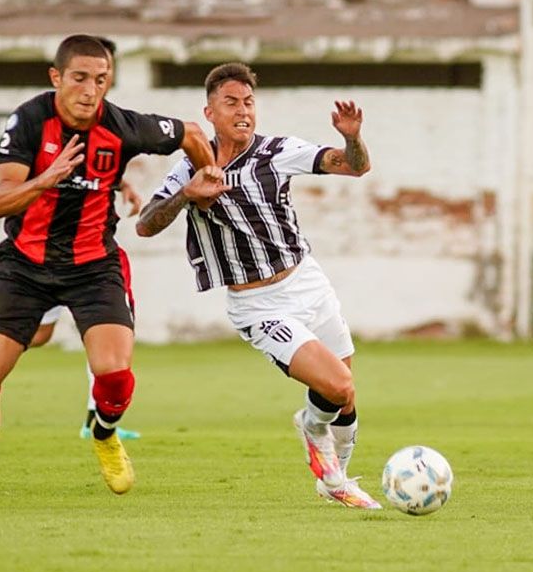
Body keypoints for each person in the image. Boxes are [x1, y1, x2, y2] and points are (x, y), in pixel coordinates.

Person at [0, 34, 218, 510]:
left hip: (94, 266)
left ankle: (104, 433)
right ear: (57, 78)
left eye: (100, 79)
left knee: (114, 373)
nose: (90, 90)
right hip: (25, 266)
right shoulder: (30, 121)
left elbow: (193, 134)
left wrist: (211, 178)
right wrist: (45, 178)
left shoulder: (123, 126)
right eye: (79, 79)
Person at [135, 62, 380, 509]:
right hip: (259, 303)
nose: (243, 111)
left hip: (307, 281)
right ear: (209, 112)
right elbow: (145, 225)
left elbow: (355, 167)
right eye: (231, 102)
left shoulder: (278, 151)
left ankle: (336, 480)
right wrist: (187, 194)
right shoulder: (190, 167)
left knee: (346, 397)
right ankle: (310, 428)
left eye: (249, 102)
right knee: (337, 386)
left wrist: (351, 136)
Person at [0, 181, 144, 440]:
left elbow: (99, 162)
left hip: (90, 260)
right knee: (40, 335)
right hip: (40, 260)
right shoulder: (35, 151)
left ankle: (94, 417)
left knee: (106, 338)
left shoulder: (94, 148)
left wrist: (124, 184)